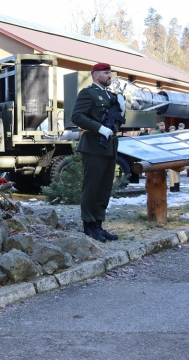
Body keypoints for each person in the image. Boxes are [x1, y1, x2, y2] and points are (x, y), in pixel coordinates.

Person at [71, 62, 124, 242]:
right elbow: (77, 116)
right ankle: (89, 226)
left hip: (109, 146)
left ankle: (98, 225)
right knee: (92, 186)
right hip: (94, 145)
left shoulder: (111, 95)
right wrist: (99, 128)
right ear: (95, 75)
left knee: (104, 188)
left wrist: (121, 111)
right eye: (106, 73)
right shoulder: (88, 93)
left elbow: (115, 122)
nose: (110, 76)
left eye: (110, 73)